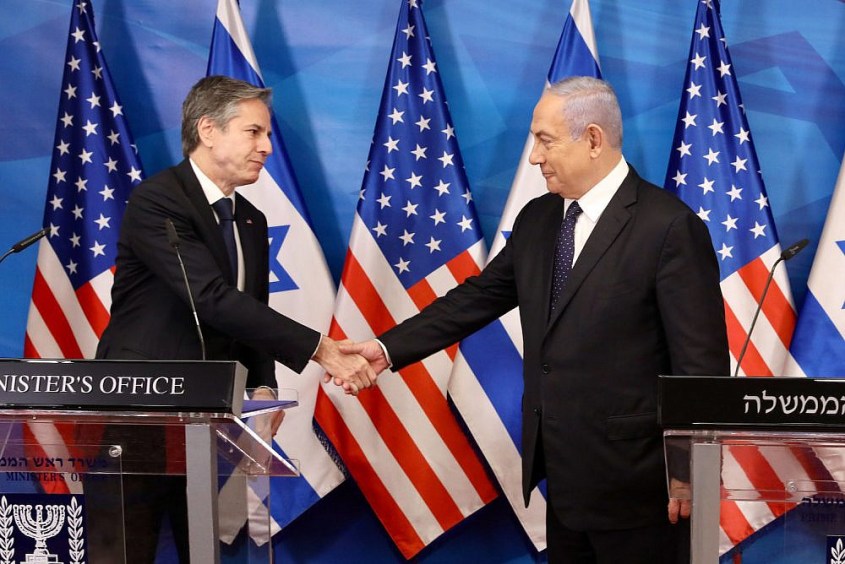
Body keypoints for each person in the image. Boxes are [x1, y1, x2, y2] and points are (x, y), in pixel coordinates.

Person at [343, 76, 729, 563]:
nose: (534, 157)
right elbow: (477, 299)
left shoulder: (669, 227)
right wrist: (384, 350)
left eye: (545, 141)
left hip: (642, 489)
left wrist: (690, 468)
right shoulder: (540, 219)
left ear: (592, 139)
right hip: (564, 483)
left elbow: (701, 364)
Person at [91, 75, 376, 562]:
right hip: (140, 407)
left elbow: (252, 311)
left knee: (203, 547)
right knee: (125, 549)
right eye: (254, 132)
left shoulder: (249, 218)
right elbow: (210, 296)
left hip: (205, 416)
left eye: (267, 136)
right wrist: (322, 349)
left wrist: (263, 389)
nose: (266, 147)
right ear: (208, 129)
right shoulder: (158, 201)